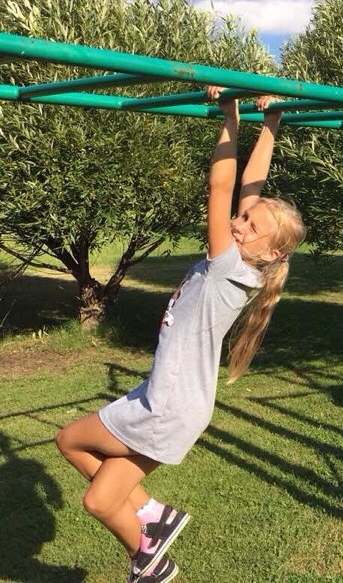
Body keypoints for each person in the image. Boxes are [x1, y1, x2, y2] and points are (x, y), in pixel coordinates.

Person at [55, 87, 305, 582]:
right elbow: (250, 187)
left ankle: (149, 559)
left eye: (250, 225)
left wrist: (230, 115)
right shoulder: (246, 262)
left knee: (98, 500)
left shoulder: (228, 265)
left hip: (167, 408)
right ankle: (152, 513)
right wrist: (272, 123)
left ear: (271, 253)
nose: (238, 224)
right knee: (69, 441)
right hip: (164, 396)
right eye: (242, 218)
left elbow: (221, 186)